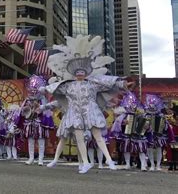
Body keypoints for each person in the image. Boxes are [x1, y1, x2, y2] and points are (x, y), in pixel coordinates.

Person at [43, 35, 133, 174]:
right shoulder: (68, 85)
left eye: (82, 72)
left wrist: (122, 84)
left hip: (90, 111)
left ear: (86, 73)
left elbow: (107, 82)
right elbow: (54, 88)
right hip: (74, 113)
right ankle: (84, 162)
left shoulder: (93, 83)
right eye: (77, 72)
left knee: (98, 136)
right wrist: (42, 88)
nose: (80, 74)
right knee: (75, 138)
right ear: (73, 73)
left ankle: (109, 161)